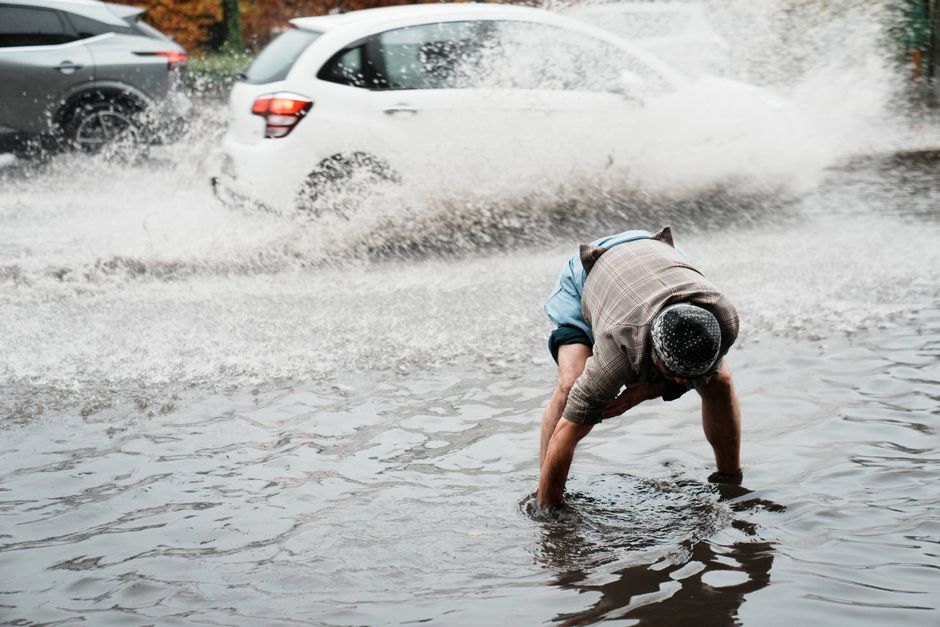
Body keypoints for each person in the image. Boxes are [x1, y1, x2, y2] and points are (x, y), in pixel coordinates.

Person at [538, 226, 742, 507]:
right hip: (588, 275)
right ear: (651, 354)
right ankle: (543, 487)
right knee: (571, 383)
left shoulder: (724, 318)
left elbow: (699, 374)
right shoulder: (619, 348)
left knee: (720, 381)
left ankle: (729, 479)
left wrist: (638, 393)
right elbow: (567, 432)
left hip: (654, 254)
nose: (681, 383)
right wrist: (549, 517)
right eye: (672, 376)